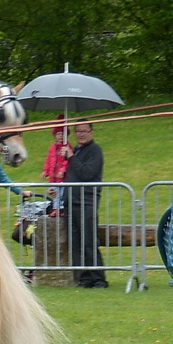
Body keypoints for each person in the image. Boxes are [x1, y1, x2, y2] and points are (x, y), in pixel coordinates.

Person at [63, 121, 106, 287]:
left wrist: (71, 157)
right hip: (71, 202)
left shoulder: (95, 150)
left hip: (85, 202)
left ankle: (99, 278)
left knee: (88, 240)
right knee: (75, 242)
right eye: (78, 131)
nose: (81, 134)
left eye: (84, 131)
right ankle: (84, 277)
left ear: (91, 132)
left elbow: (87, 173)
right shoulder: (76, 150)